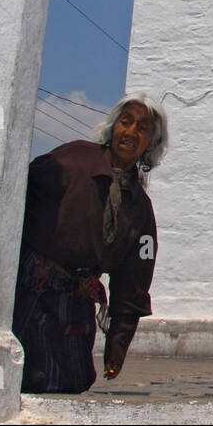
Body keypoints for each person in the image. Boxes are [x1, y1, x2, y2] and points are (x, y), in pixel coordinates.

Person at [12, 93, 168, 393]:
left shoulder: (140, 210)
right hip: (33, 292)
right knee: (34, 377)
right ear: (113, 128)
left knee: (74, 379)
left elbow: (134, 282)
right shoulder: (72, 160)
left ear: (151, 143)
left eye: (143, 128)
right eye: (126, 122)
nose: (131, 133)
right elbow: (18, 195)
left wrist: (117, 346)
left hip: (77, 305)